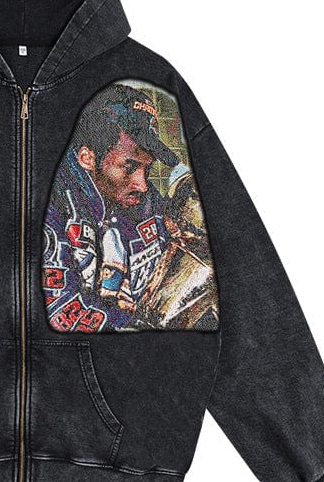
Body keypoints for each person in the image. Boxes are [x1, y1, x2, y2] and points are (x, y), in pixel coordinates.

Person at [42, 82, 213, 332]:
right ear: (87, 158)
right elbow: (61, 313)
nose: (142, 185)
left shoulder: (143, 198)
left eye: (147, 168)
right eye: (130, 167)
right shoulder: (52, 207)